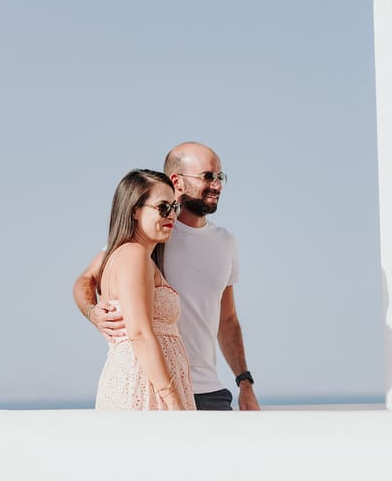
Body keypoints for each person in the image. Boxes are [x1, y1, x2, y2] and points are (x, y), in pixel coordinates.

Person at [75, 142, 259, 411]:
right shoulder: (149, 235)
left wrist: (244, 382)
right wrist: (93, 312)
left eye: (220, 177)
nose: (217, 185)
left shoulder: (223, 242)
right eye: (208, 176)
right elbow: (86, 281)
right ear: (178, 181)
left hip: (207, 388)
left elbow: (228, 319)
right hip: (156, 385)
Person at [92, 169, 194, 410]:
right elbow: (139, 332)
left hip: (145, 378)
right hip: (144, 383)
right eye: (162, 208)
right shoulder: (133, 255)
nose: (172, 216)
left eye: (173, 207)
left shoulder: (132, 256)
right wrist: (173, 401)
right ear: (135, 210)